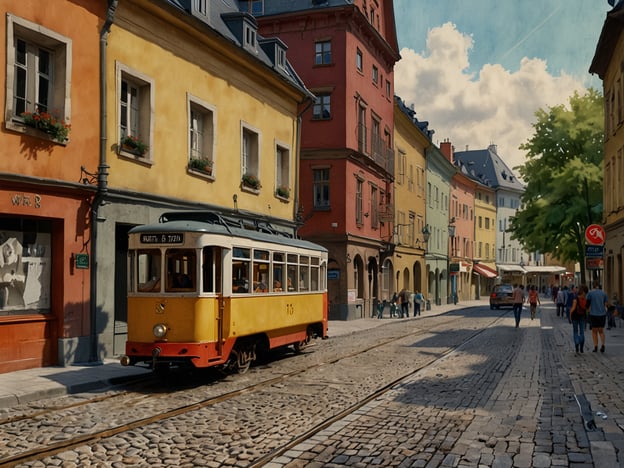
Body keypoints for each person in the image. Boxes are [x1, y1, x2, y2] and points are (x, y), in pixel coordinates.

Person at [586, 280, 609, 353]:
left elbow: (587, 304)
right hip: (602, 314)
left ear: (593, 285)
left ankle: (595, 346)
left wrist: (587, 310)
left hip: (594, 314)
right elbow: (606, 304)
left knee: (594, 331)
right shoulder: (603, 293)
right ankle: (602, 344)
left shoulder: (590, 293)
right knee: (601, 331)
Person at [570, 284, 588, 353]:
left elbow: (573, 309)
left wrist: (570, 315)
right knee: (582, 332)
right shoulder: (585, 299)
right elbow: (587, 309)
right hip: (582, 317)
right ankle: (581, 347)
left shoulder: (576, 299)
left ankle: (577, 342)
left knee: (575, 331)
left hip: (575, 317)